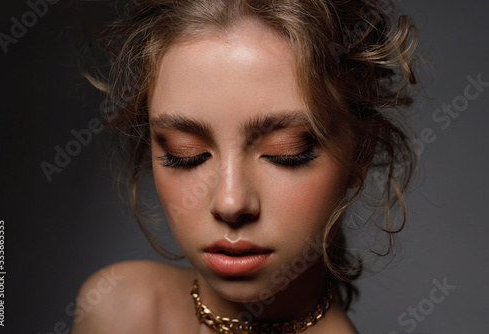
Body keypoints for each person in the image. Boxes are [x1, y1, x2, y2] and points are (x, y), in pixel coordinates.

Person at [72, 0, 418, 333]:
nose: (230, 203)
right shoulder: (117, 309)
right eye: (185, 153)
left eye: (286, 152)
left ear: (360, 155)